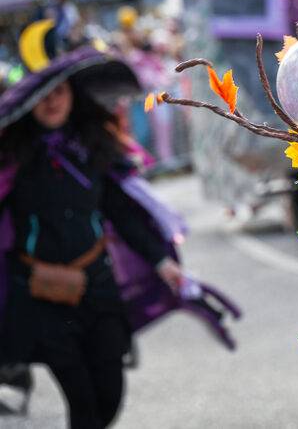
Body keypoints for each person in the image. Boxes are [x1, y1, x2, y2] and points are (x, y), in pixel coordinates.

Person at [0, 24, 240, 429]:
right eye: (43, 94)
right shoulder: (12, 159)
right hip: (42, 296)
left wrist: (162, 262)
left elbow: (124, 214)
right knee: (84, 406)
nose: (52, 101)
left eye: (60, 91)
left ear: (74, 95)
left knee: (109, 398)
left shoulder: (92, 148)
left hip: (98, 289)